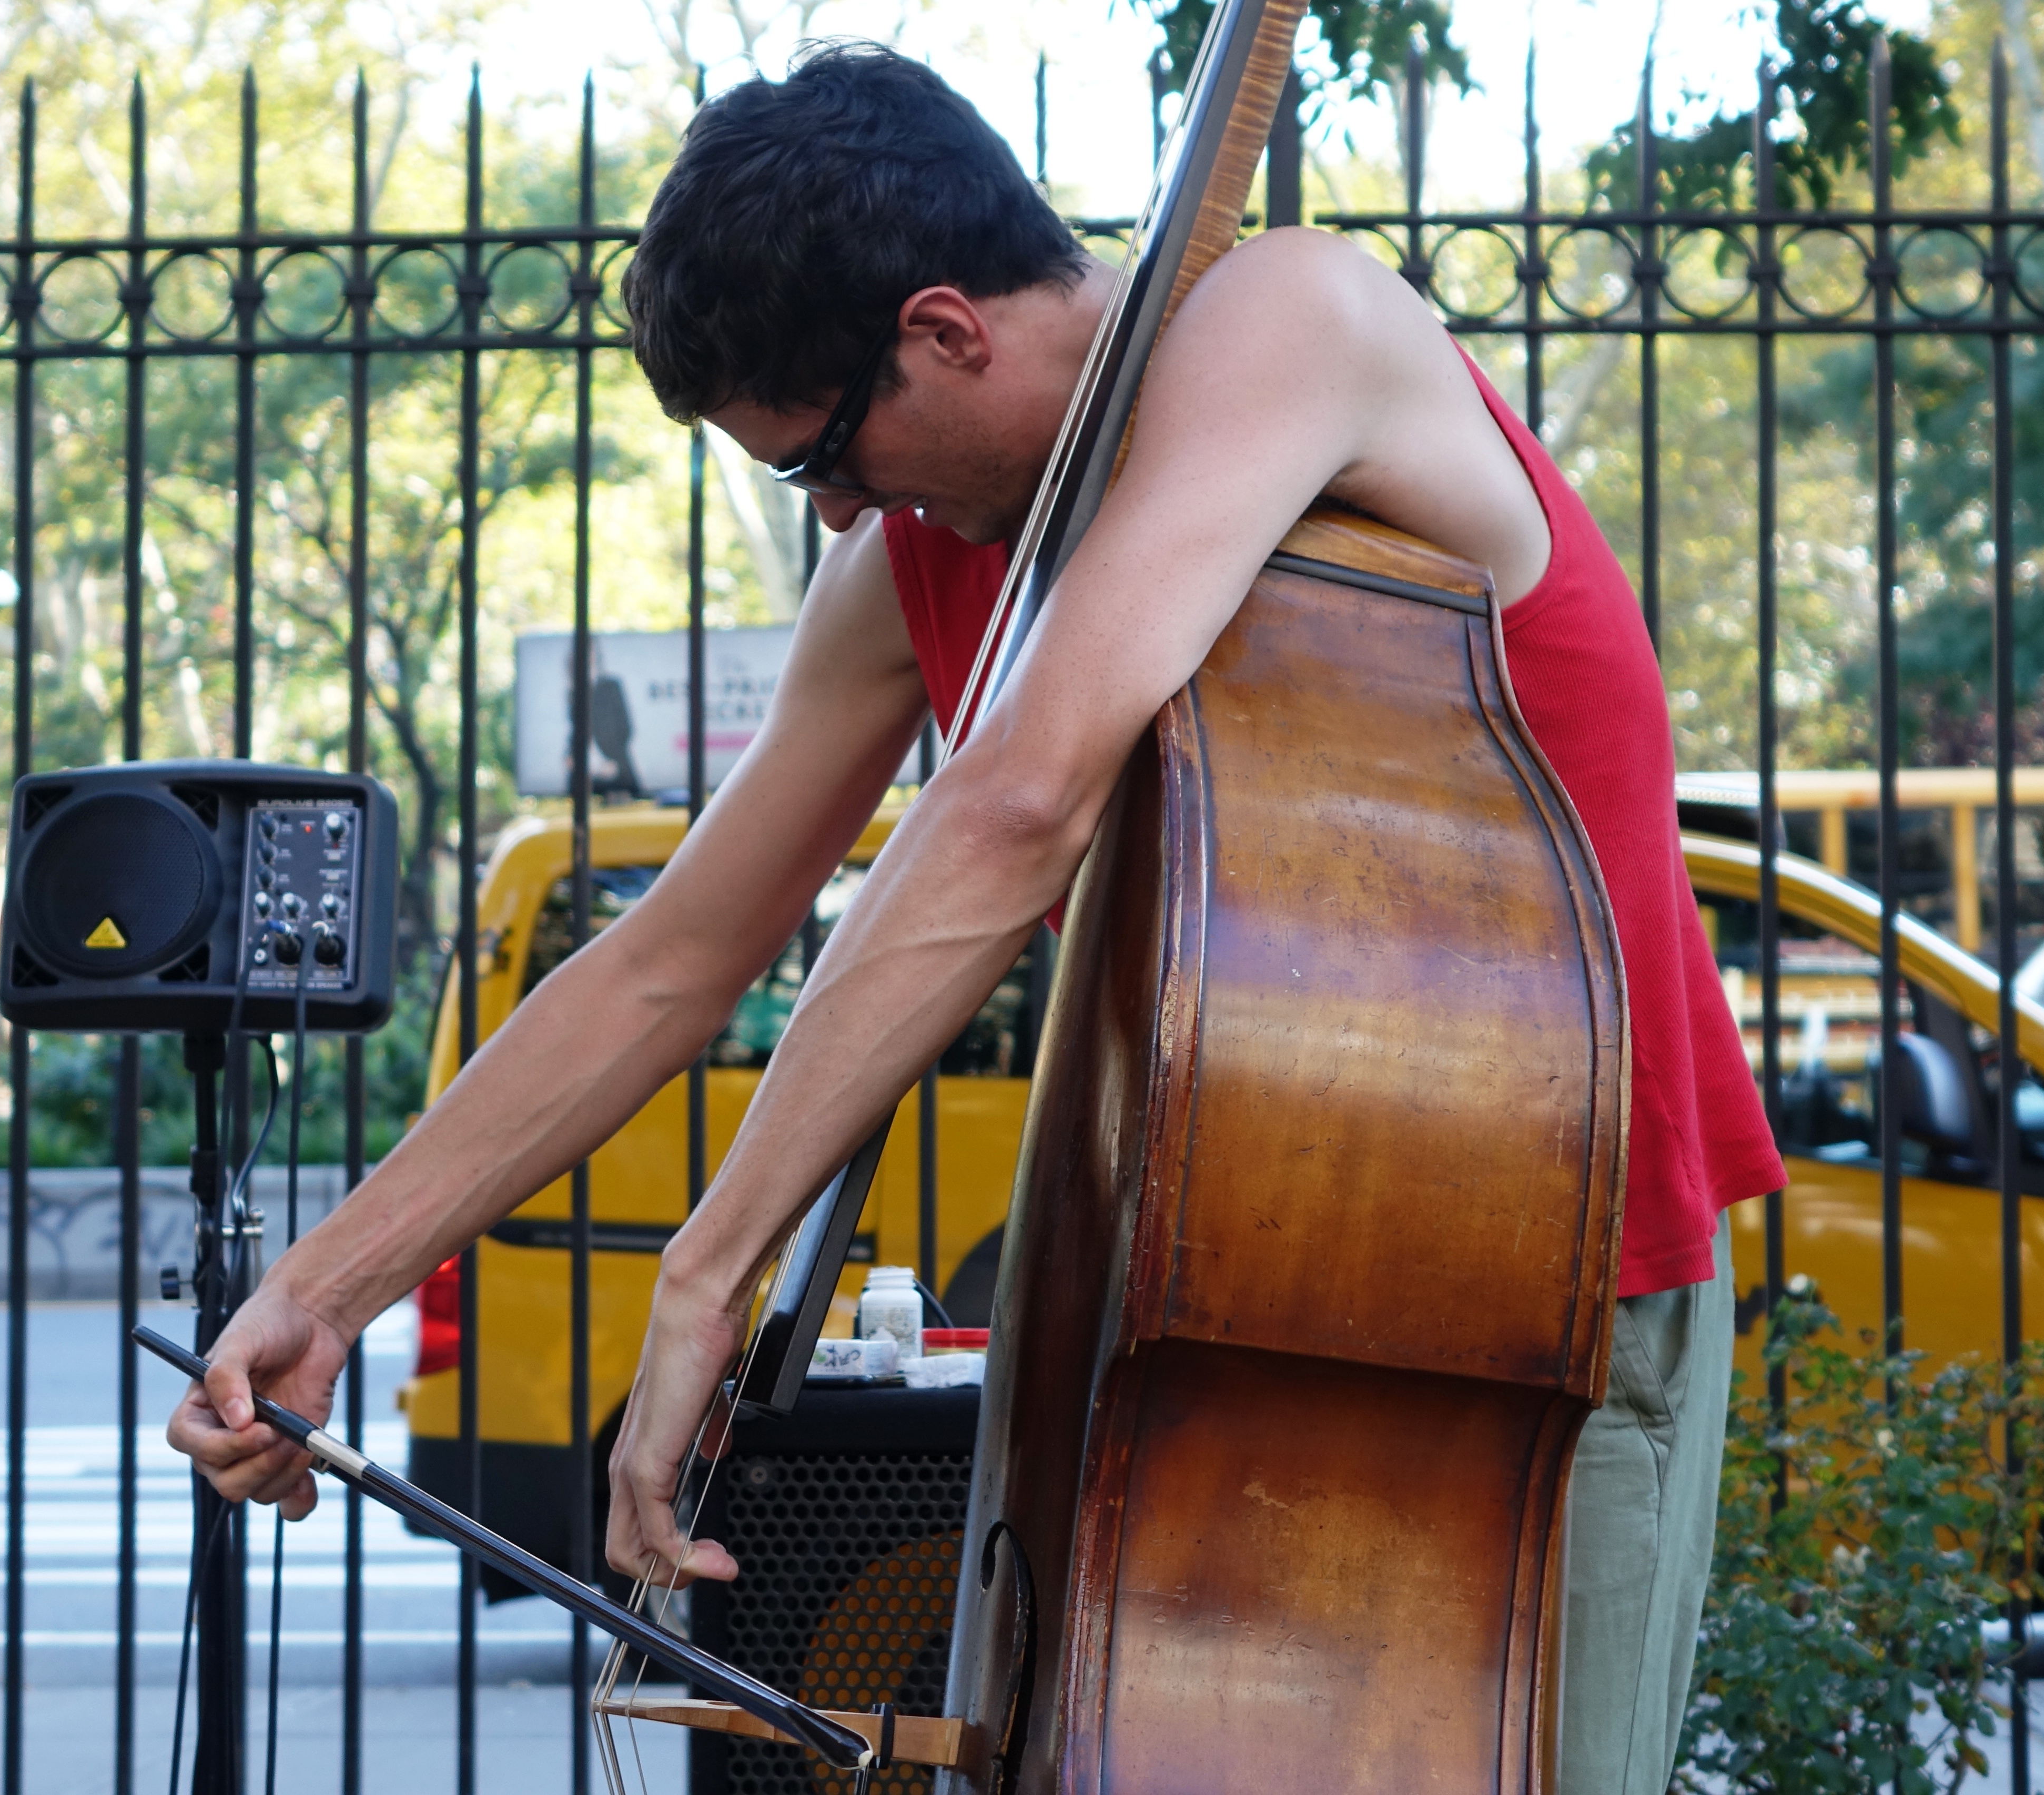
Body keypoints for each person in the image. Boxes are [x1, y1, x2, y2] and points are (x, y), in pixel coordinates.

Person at [167, 42, 1783, 1795]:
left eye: (821, 460)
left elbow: (1019, 800)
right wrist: (329, 1291)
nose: (843, 514)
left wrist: (708, 1274)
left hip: (1519, 1286)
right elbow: (672, 956)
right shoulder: (920, 562)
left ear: (944, 329)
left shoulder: (1292, 319)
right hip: (1180, 1299)